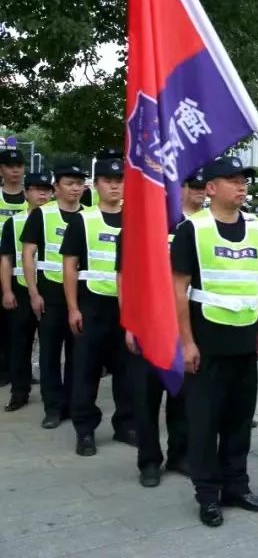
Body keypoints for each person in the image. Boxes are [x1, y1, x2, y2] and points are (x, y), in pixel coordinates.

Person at [171, 155, 258, 527]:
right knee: (204, 422)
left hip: (246, 340)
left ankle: (237, 485)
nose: (241, 185)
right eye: (231, 180)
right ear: (211, 188)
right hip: (206, 341)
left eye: (244, 179)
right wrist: (186, 342)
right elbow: (178, 289)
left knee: (239, 419)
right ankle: (207, 494)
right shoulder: (192, 229)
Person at [118, 169, 205, 487]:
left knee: (181, 395)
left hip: (182, 324)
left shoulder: (195, 228)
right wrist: (129, 323)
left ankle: (179, 455)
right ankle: (149, 461)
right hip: (146, 323)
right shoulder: (139, 225)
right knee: (145, 398)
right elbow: (124, 277)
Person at [61, 154, 134, 456]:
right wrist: (73, 307)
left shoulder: (136, 220)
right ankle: (85, 430)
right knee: (85, 371)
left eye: (120, 181)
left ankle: (126, 425)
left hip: (127, 307)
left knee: (127, 371)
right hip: (91, 305)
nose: (115, 187)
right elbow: (69, 265)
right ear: (97, 185)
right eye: (108, 181)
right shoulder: (83, 220)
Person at [21, 159, 87, 428]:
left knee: (78, 354)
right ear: (56, 187)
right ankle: (53, 406)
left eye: (79, 184)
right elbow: (28, 254)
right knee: (49, 353)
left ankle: (72, 404)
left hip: (82, 295)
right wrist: (33, 292)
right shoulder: (42, 214)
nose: (75, 189)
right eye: (69, 184)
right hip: (50, 293)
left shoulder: (89, 215)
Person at [1, 170, 52, 411]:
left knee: (50, 345)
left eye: (46, 189)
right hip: (21, 289)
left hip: (53, 289)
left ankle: (52, 395)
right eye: (36, 189)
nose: (42, 193)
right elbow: (6, 259)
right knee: (20, 343)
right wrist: (7, 291)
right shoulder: (15, 222)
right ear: (26, 193)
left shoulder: (60, 219)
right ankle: (19, 392)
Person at [0, 148, 28, 389]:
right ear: (1, 170)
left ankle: (18, 369)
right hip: (2, 263)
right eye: (10, 166)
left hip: (22, 270)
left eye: (19, 166)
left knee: (17, 325)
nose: (15, 170)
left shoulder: (31, 197)